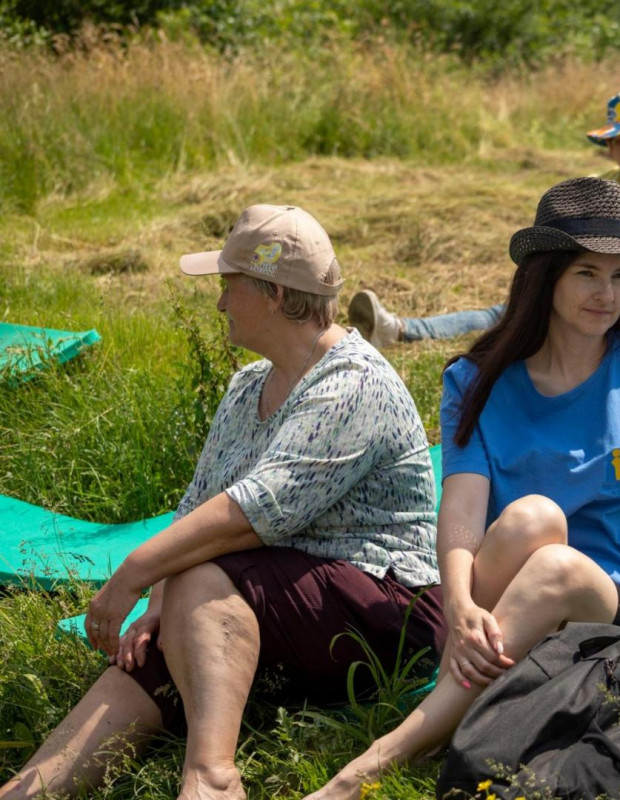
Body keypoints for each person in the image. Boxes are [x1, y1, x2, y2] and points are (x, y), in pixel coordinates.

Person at [306, 177, 620, 799]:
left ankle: (376, 762)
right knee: (533, 520)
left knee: (557, 559)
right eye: (587, 273)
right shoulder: (474, 380)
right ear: (546, 277)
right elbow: (460, 512)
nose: (608, 293)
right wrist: (456, 605)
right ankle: (462, 687)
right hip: (507, 603)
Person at [1, 206, 445, 800]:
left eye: (227, 286)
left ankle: (211, 778)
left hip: (386, 610)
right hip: (274, 596)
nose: (218, 304)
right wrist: (158, 608)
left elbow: (254, 512)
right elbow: (196, 509)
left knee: (201, 579)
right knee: (156, 643)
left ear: (275, 295)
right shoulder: (246, 388)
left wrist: (136, 573)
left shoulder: (352, 384)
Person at [348, 87, 620, 347]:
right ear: (610, 147)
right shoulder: (597, 189)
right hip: (584, 303)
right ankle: (398, 329)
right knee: (508, 313)